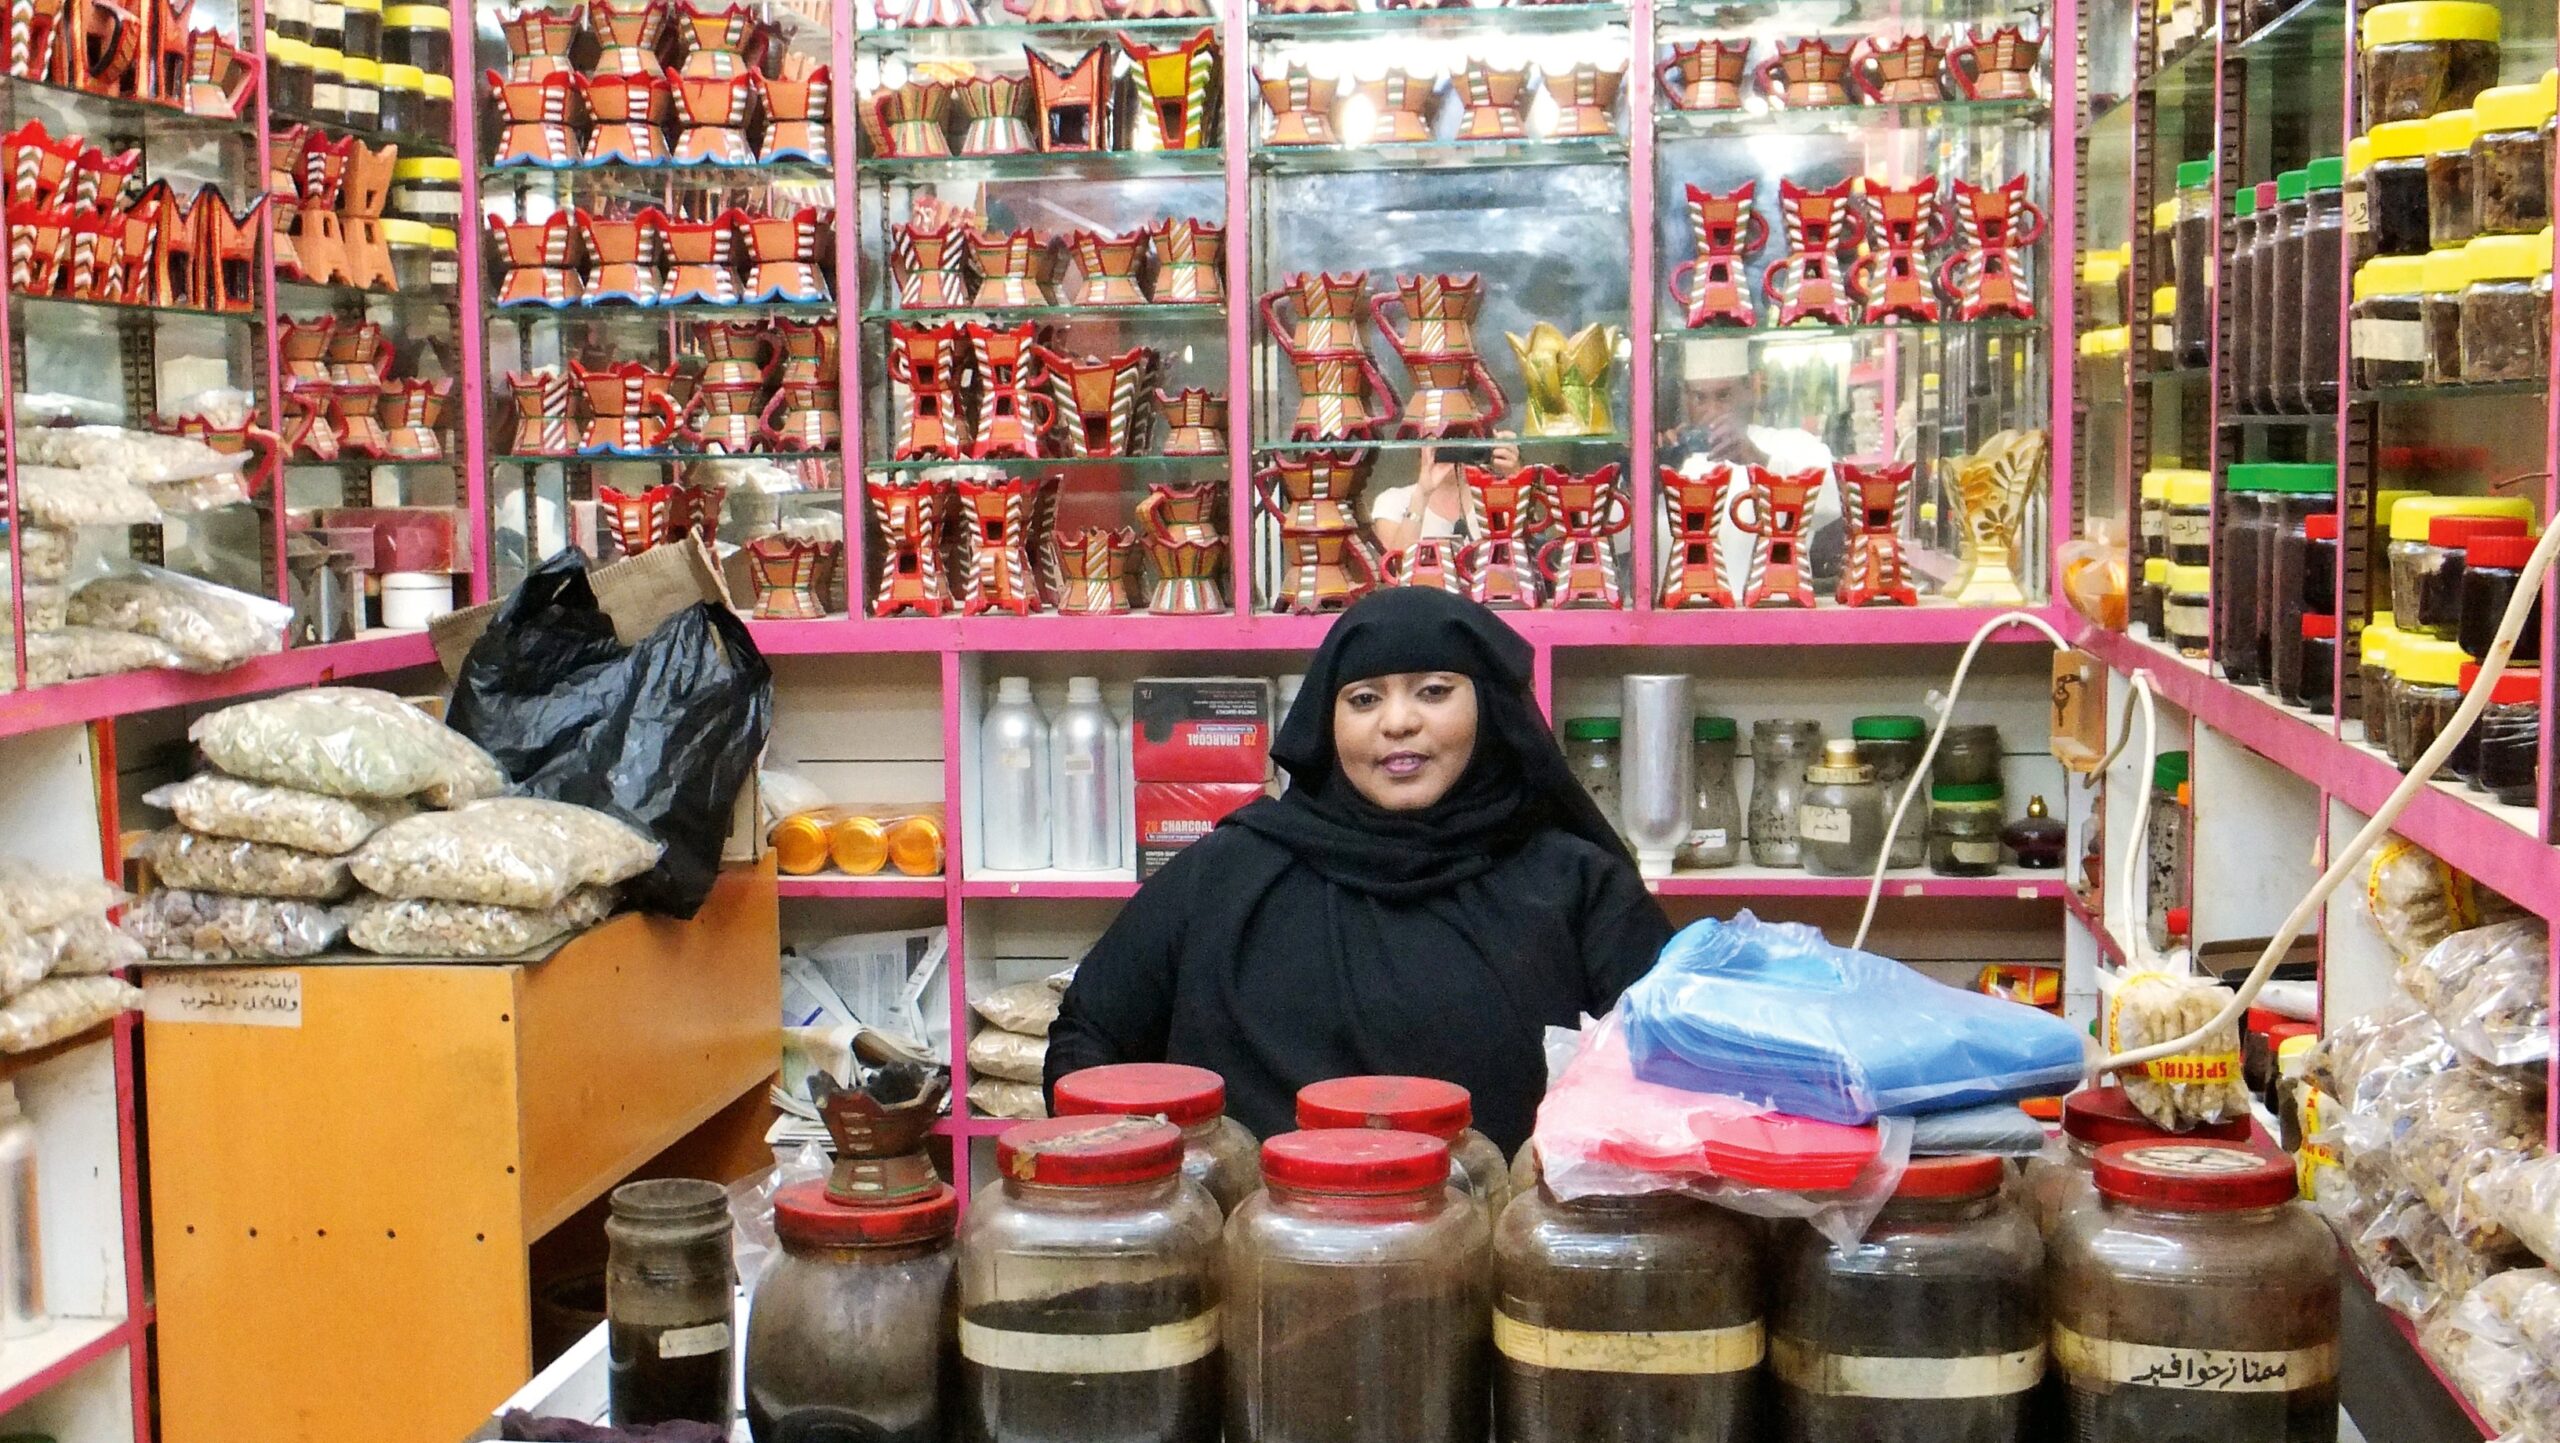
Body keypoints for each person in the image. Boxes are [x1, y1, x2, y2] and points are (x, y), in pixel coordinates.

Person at [1043, 588, 1674, 1153]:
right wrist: (1141, 1186)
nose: (1397, 722)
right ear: (1328, 721)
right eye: (1364, 699)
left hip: (1497, 1240)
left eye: (1434, 691)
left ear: (1491, 709)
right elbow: (1088, 1035)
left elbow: (1673, 1078)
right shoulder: (1223, 874)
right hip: (1256, 1239)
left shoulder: (1578, 885)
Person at [1366, 438, 1522, 553]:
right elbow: (1396, 569)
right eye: (1440, 439)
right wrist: (1421, 494)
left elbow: (1520, 553)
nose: (1450, 447)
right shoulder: (1393, 501)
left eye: (1459, 438)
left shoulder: (1496, 496)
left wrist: (1517, 480)